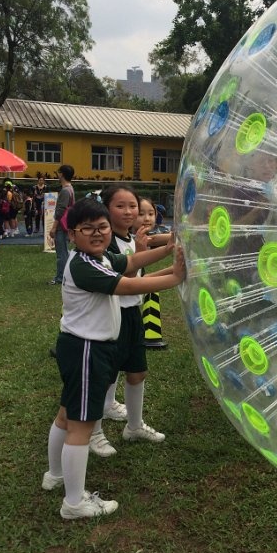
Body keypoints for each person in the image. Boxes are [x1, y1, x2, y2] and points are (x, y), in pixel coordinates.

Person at [42, 197, 186, 519]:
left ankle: (55, 475)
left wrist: (167, 251)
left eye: (102, 227)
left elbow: (131, 262)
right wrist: (175, 278)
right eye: (88, 228)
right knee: (80, 426)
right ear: (72, 234)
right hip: (86, 350)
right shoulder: (85, 266)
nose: (97, 233)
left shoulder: (100, 257)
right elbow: (127, 286)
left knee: (66, 415)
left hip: (80, 347)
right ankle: (74, 503)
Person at [88, 185, 175, 457]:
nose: (129, 212)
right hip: (110, 316)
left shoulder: (131, 239)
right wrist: (145, 256)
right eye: (120, 206)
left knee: (137, 373)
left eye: (133, 207)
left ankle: (134, 426)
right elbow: (124, 282)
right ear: (106, 209)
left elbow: (140, 280)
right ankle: (93, 432)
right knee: (104, 376)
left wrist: (173, 269)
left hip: (132, 314)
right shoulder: (106, 243)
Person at [48, 165, 75, 285]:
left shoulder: (65, 191)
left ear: (62, 174)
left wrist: (54, 227)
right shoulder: (70, 188)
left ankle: (60, 277)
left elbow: (60, 211)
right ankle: (68, 274)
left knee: (61, 253)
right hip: (66, 224)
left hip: (61, 226)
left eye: (58, 172)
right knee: (64, 251)